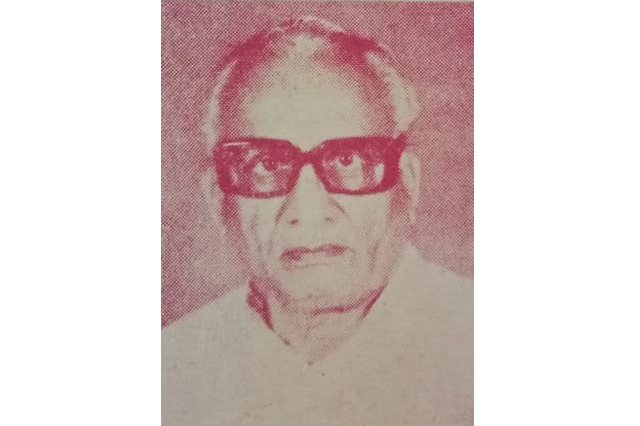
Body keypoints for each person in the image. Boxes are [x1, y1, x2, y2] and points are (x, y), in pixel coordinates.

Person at [163, 16, 472, 426]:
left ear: (408, 183)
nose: (307, 209)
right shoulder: (170, 375)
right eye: (265, 164)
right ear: (219, 199)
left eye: (349, 159)